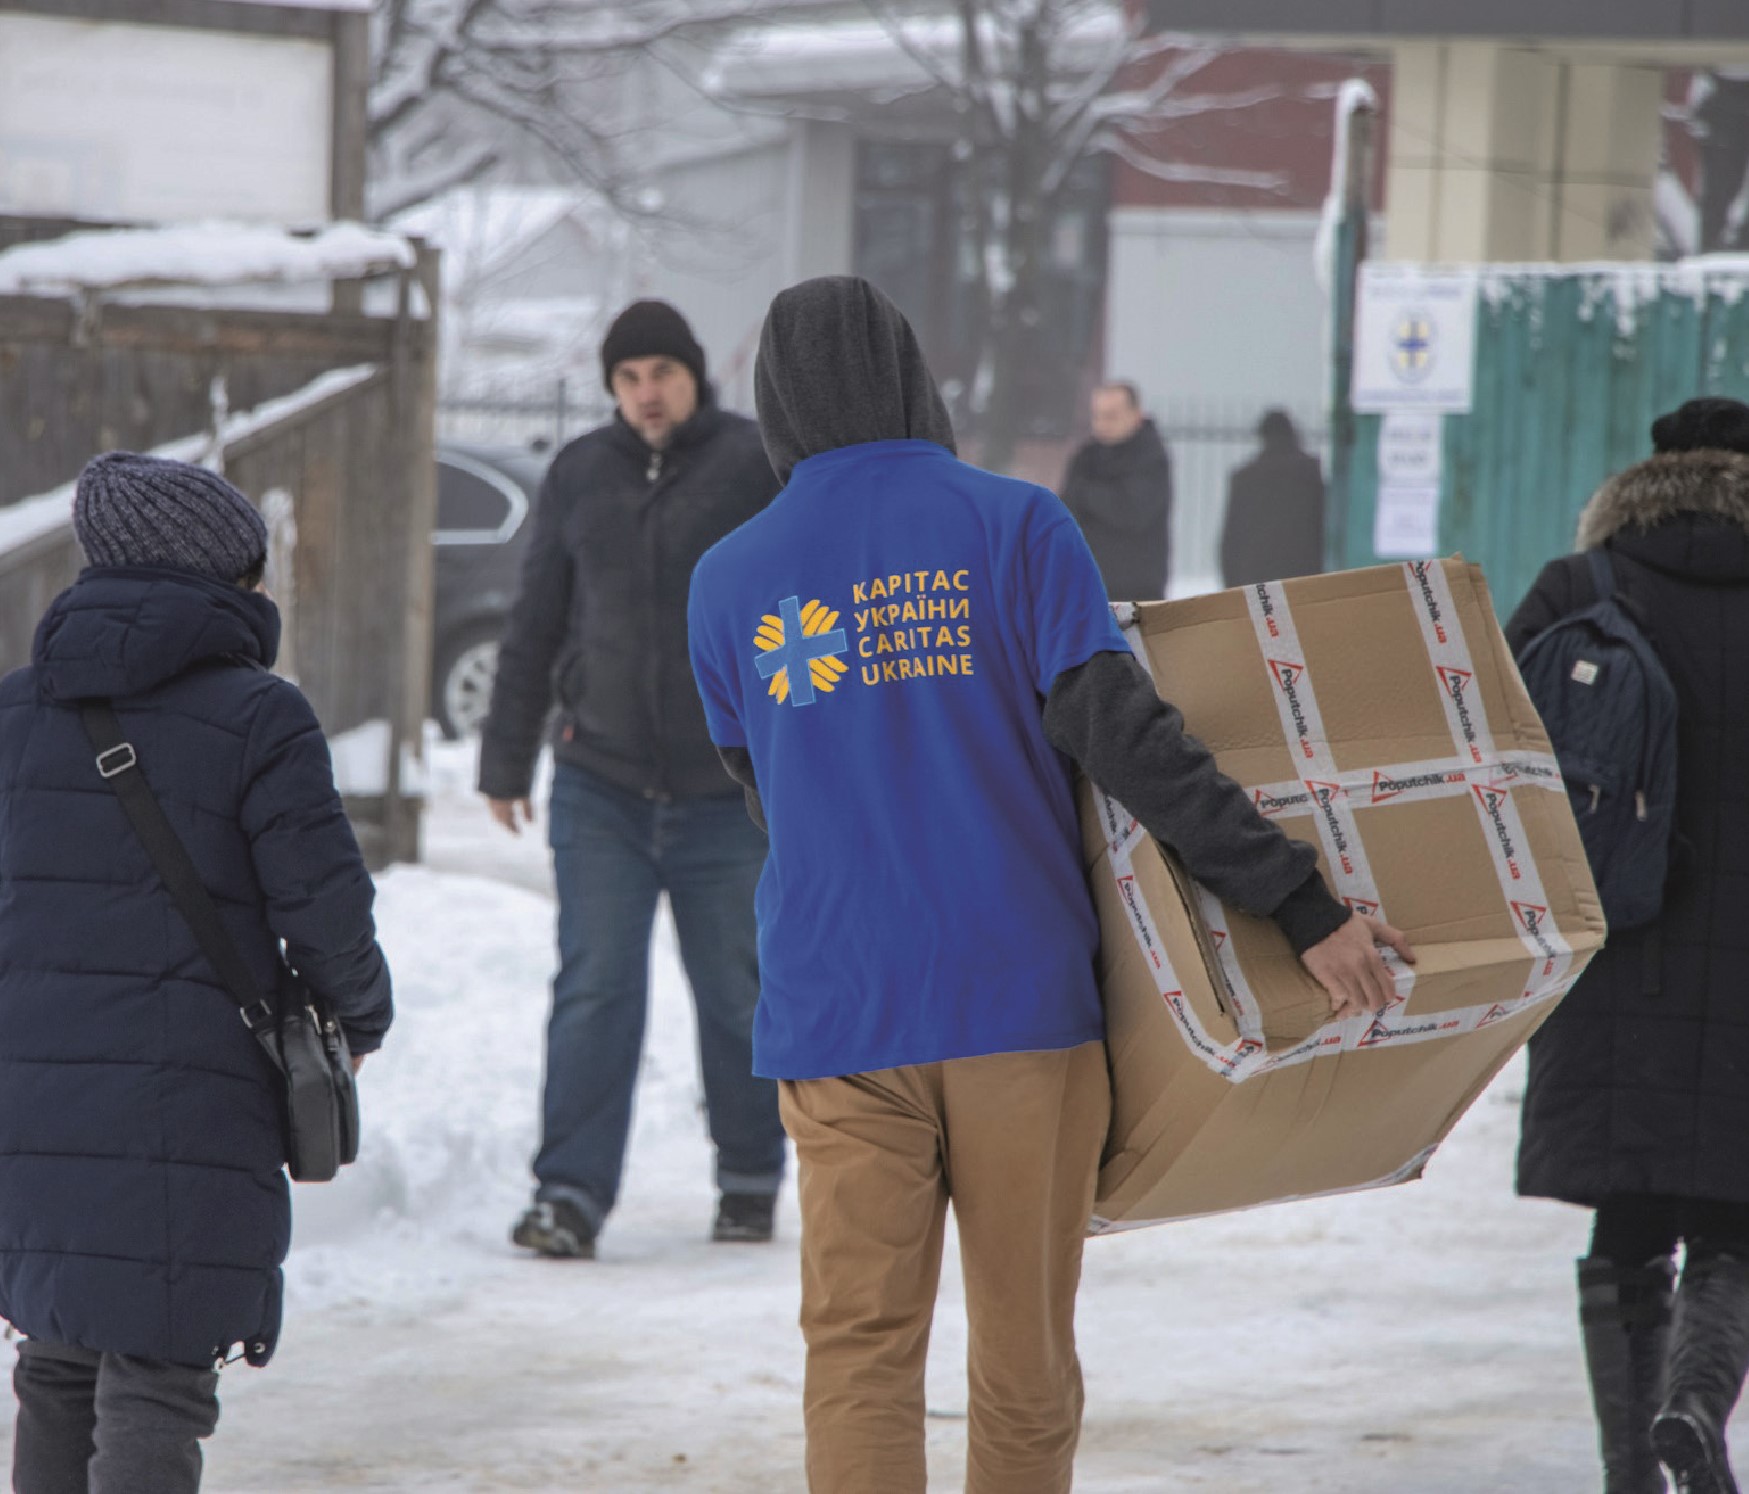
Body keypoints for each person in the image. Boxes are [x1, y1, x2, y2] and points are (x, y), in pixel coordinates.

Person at [687, 276, 1414, 1494]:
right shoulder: (1015, 527)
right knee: (1023, 1360)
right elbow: (1130, 741)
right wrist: (1297, 901)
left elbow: (759, 782)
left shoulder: (727, 577)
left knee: (859, 1355)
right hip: (1015, 1010)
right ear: (913, 377)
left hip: (837, 1017)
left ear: (774, 401)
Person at [0, 453, 393, 1493]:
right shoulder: (261, 718)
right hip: (189, 1099)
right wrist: (359, 1016)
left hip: (34, 1101)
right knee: (158, 1378)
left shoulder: (13, 714)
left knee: (58, 1357)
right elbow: (327, 910)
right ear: (223, 579)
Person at [480, 299, 788, 1258]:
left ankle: (748, 1176)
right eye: (628, 377)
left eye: (662, 372)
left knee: (736, 989)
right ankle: (568, 1194)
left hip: (725, 789)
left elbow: (798, 609)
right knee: (596, 988)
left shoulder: (753, 465)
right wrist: (504, 754)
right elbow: (536, 619)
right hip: (599, 778)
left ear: (695, 374)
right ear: (611, 386)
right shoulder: (579, 473)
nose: (646, 393)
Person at [1508, 396, 1749, 1494]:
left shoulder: (1581, 590)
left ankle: (1626, 1467)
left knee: (1629, 1215)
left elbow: (1490, 755)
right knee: (1734, 1210)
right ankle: (1696, 1406)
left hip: (1619, 946)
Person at [1058, 381, 1173, 600]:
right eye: (1097, 416)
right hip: (1086, 583)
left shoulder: (1150, 457)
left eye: (1111, 416)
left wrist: (1085, 494)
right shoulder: (1086, 457)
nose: (1102, 424)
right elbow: (1066, 510)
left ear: (1135, 415)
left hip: (1136, 590)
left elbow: (1131, 511)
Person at [1220, 409, 1328, 588]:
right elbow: (1323, 527)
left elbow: (1231, 539)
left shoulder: (1246, 477)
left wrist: (1232, 583)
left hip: (1256, 576)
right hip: (1303, 572)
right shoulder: (1309, 473)